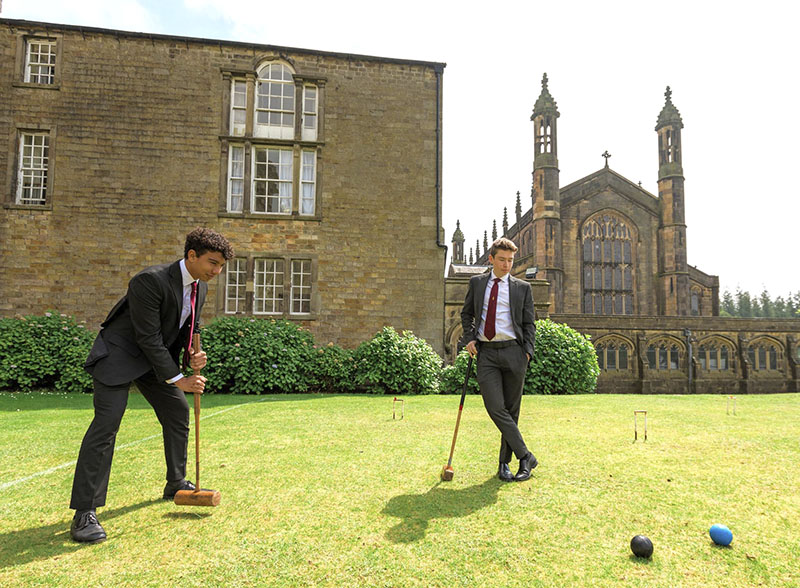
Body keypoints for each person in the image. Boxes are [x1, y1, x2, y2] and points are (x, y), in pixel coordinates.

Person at [69, 227, 234, 543]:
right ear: (191, 255)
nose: (217, 271)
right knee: (106, 427)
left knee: (177, 411)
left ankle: (176, 482)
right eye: (212, 263)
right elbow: (147, 336)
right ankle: (84, 513)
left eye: (221, 266)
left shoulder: (200, 288)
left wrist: (193, 355)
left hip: (152, 361)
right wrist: (178, 379)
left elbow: (186, 330)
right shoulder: (150, 280)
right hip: (119, 356)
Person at [460, 237, 537, 482]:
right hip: (487, 354)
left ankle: (505, 464)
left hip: (515, 352)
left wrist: (527, 352)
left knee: (512, 411)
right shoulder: (477, 283)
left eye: (510, 260)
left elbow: (529, 323)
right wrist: (470, 339)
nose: (506, 265)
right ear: (491, 259)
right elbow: (467, 314)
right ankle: (526, 456)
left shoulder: (522, 288)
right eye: (502, 260)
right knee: (495, 407)